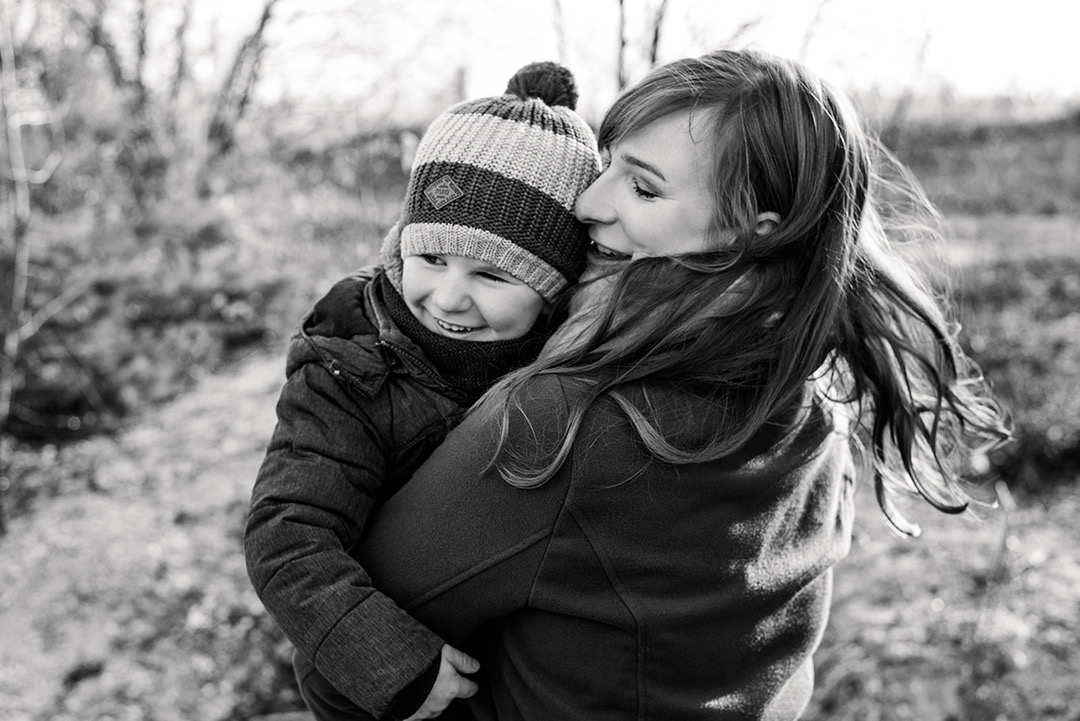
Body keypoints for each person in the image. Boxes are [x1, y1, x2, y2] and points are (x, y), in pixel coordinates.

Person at [350, 48, 1011, 719]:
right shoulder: (812, 397)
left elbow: (344, 665)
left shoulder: (564, 427)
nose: (586, 202)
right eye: (606, 165)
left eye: (643, 188)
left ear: (753, 231)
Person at [243, 62, 600, 721]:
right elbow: (288, 531)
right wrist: (387, 659)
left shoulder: (567, 360)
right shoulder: (351, 365)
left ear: (553, 286)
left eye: (492, 274)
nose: (449, 296)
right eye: (431, 258)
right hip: (395, 682)